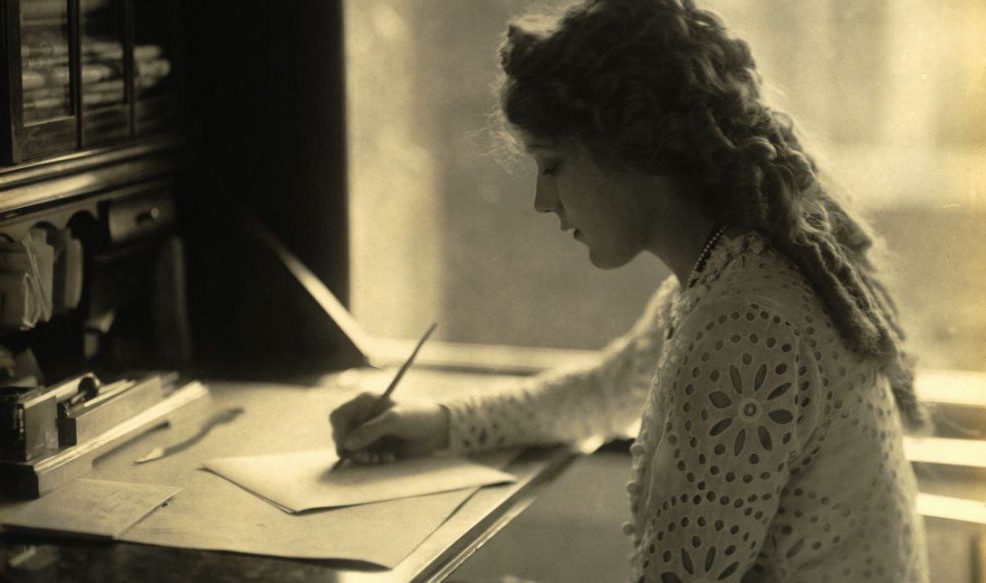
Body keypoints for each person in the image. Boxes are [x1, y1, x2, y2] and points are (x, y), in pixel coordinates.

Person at [330, 0, 929, 581]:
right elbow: (607, 389)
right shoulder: (730, 273)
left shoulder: (746, 322)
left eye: (552, 164)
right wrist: (436, 423)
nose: (542, 200)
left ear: (629, 149)